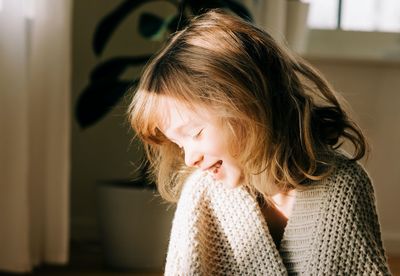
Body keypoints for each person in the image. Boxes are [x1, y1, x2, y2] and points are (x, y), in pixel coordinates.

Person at [128, 9, 391, 275]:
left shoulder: (342, 187)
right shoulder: (202, 193)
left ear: (249, 108)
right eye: (180, 144)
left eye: (195, 133)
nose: (189, 158)